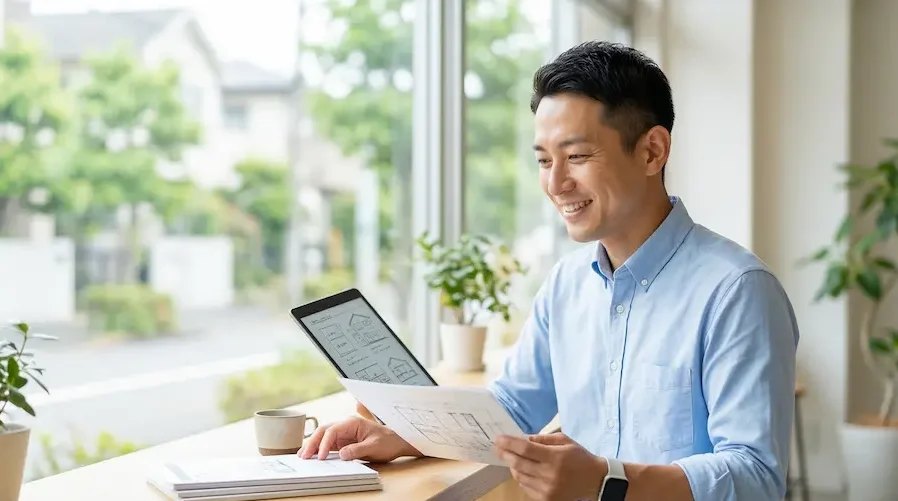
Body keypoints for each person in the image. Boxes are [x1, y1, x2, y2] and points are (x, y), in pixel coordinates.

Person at [300, 41, 799, 501]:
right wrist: (402, 436)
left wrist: (610, 480)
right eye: (543, 160)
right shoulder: (567, 282)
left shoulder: (737, 291)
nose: (556, 183)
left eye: (577, 156)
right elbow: (513, 410)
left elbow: (755, 475)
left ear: (652, 151)